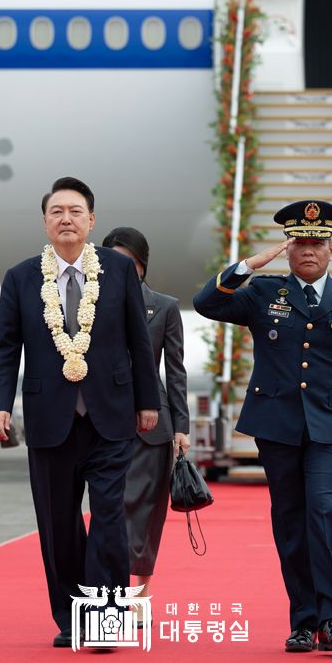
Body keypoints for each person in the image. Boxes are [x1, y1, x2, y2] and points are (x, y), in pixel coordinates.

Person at [193, 199, 332, 654]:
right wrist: (248, 265)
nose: (309, 251)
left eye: (317, 243)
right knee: (291, 522)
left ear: (331, 249)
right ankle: (303, 621)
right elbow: (206, 303)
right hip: (277, 426)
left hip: (330, 428)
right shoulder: (263, 293)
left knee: (324, 512)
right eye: (300, 242)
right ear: (289, 247)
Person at [0, 177, 160, 648]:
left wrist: (149, 401)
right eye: (57, 211)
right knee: (58, 522)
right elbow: (3, 346)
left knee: (107, 518)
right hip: (49, 420)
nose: (66, 219)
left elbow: (138, 342)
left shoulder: (119, 272)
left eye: (75, 211)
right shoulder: (22, 277)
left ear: (91, 221)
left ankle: (105, 620)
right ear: (45, 222)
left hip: (111, 417)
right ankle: (70, 617)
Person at [102, 226, 189, 603]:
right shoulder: (88, 305)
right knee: (111, 508)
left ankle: (140, 593)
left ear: (142, 265)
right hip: (103, 420)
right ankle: (109, 589)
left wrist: (182, 428)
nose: (121, 268)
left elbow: (176, 370)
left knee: (147, 512)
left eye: (129, 262)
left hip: (153, 426)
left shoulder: (165, 306)